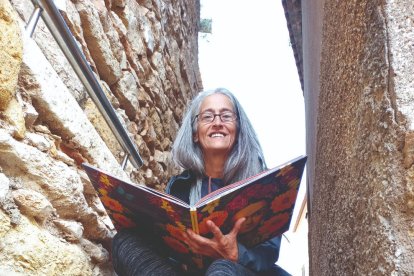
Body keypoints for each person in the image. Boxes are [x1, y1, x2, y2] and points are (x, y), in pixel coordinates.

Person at [112, 88, 290, 275]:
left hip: (243, 271)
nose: (217, 123)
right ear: (195, 134)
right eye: (207, 117)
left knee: (221, 268)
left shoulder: (264, 183)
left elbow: (268, 253)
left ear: (238, 130)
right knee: (125, 242)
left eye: (226, 116)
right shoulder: (180, 187)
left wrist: (237, 254)